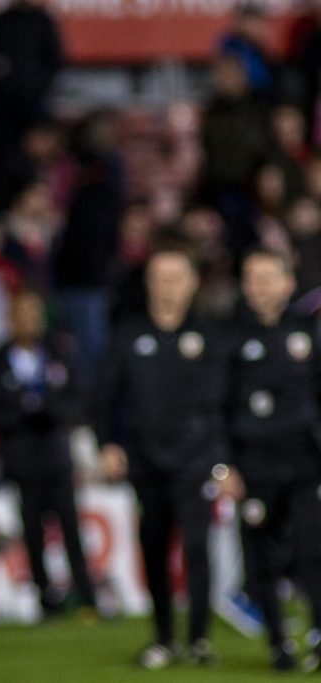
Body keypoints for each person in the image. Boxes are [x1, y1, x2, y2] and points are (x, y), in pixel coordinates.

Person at [94, 245, 231, 669]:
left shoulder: (210, 337)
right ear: (148, 283)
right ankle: (164, 638)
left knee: (196, 547)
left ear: (192, 283)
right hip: (146, 461)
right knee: (153, 548)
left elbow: (225, 405)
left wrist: (224, 462)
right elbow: (102, 398)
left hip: (196, 461)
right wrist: (107, 443)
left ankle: (200, 639)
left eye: (175, 277)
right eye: (158, 277)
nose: (166, 286)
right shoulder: (129, 336)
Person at [225, 247, 321, 672]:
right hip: (254, 467)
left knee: (312, 551)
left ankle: (318, 635)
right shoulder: (229, 337)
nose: (259, 287)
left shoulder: (308, 333)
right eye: (252, 277)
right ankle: (279, 644)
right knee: (262, 558)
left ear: (288, 282)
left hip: (305, 465)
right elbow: (216, 409)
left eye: (268, 277)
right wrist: (223, 466)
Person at [0, 288, 97, 618]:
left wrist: (47, 410)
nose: (28, 320)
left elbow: (78, 399)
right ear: (11, 320)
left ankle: (87, 597)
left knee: (71, 528)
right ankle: (47, 599)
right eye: (21, 314)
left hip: (56, 455)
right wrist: (24, 413)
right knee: (32, 532)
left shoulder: (59, 353)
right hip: (22, 459)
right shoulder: (0, 361)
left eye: (33, 313)